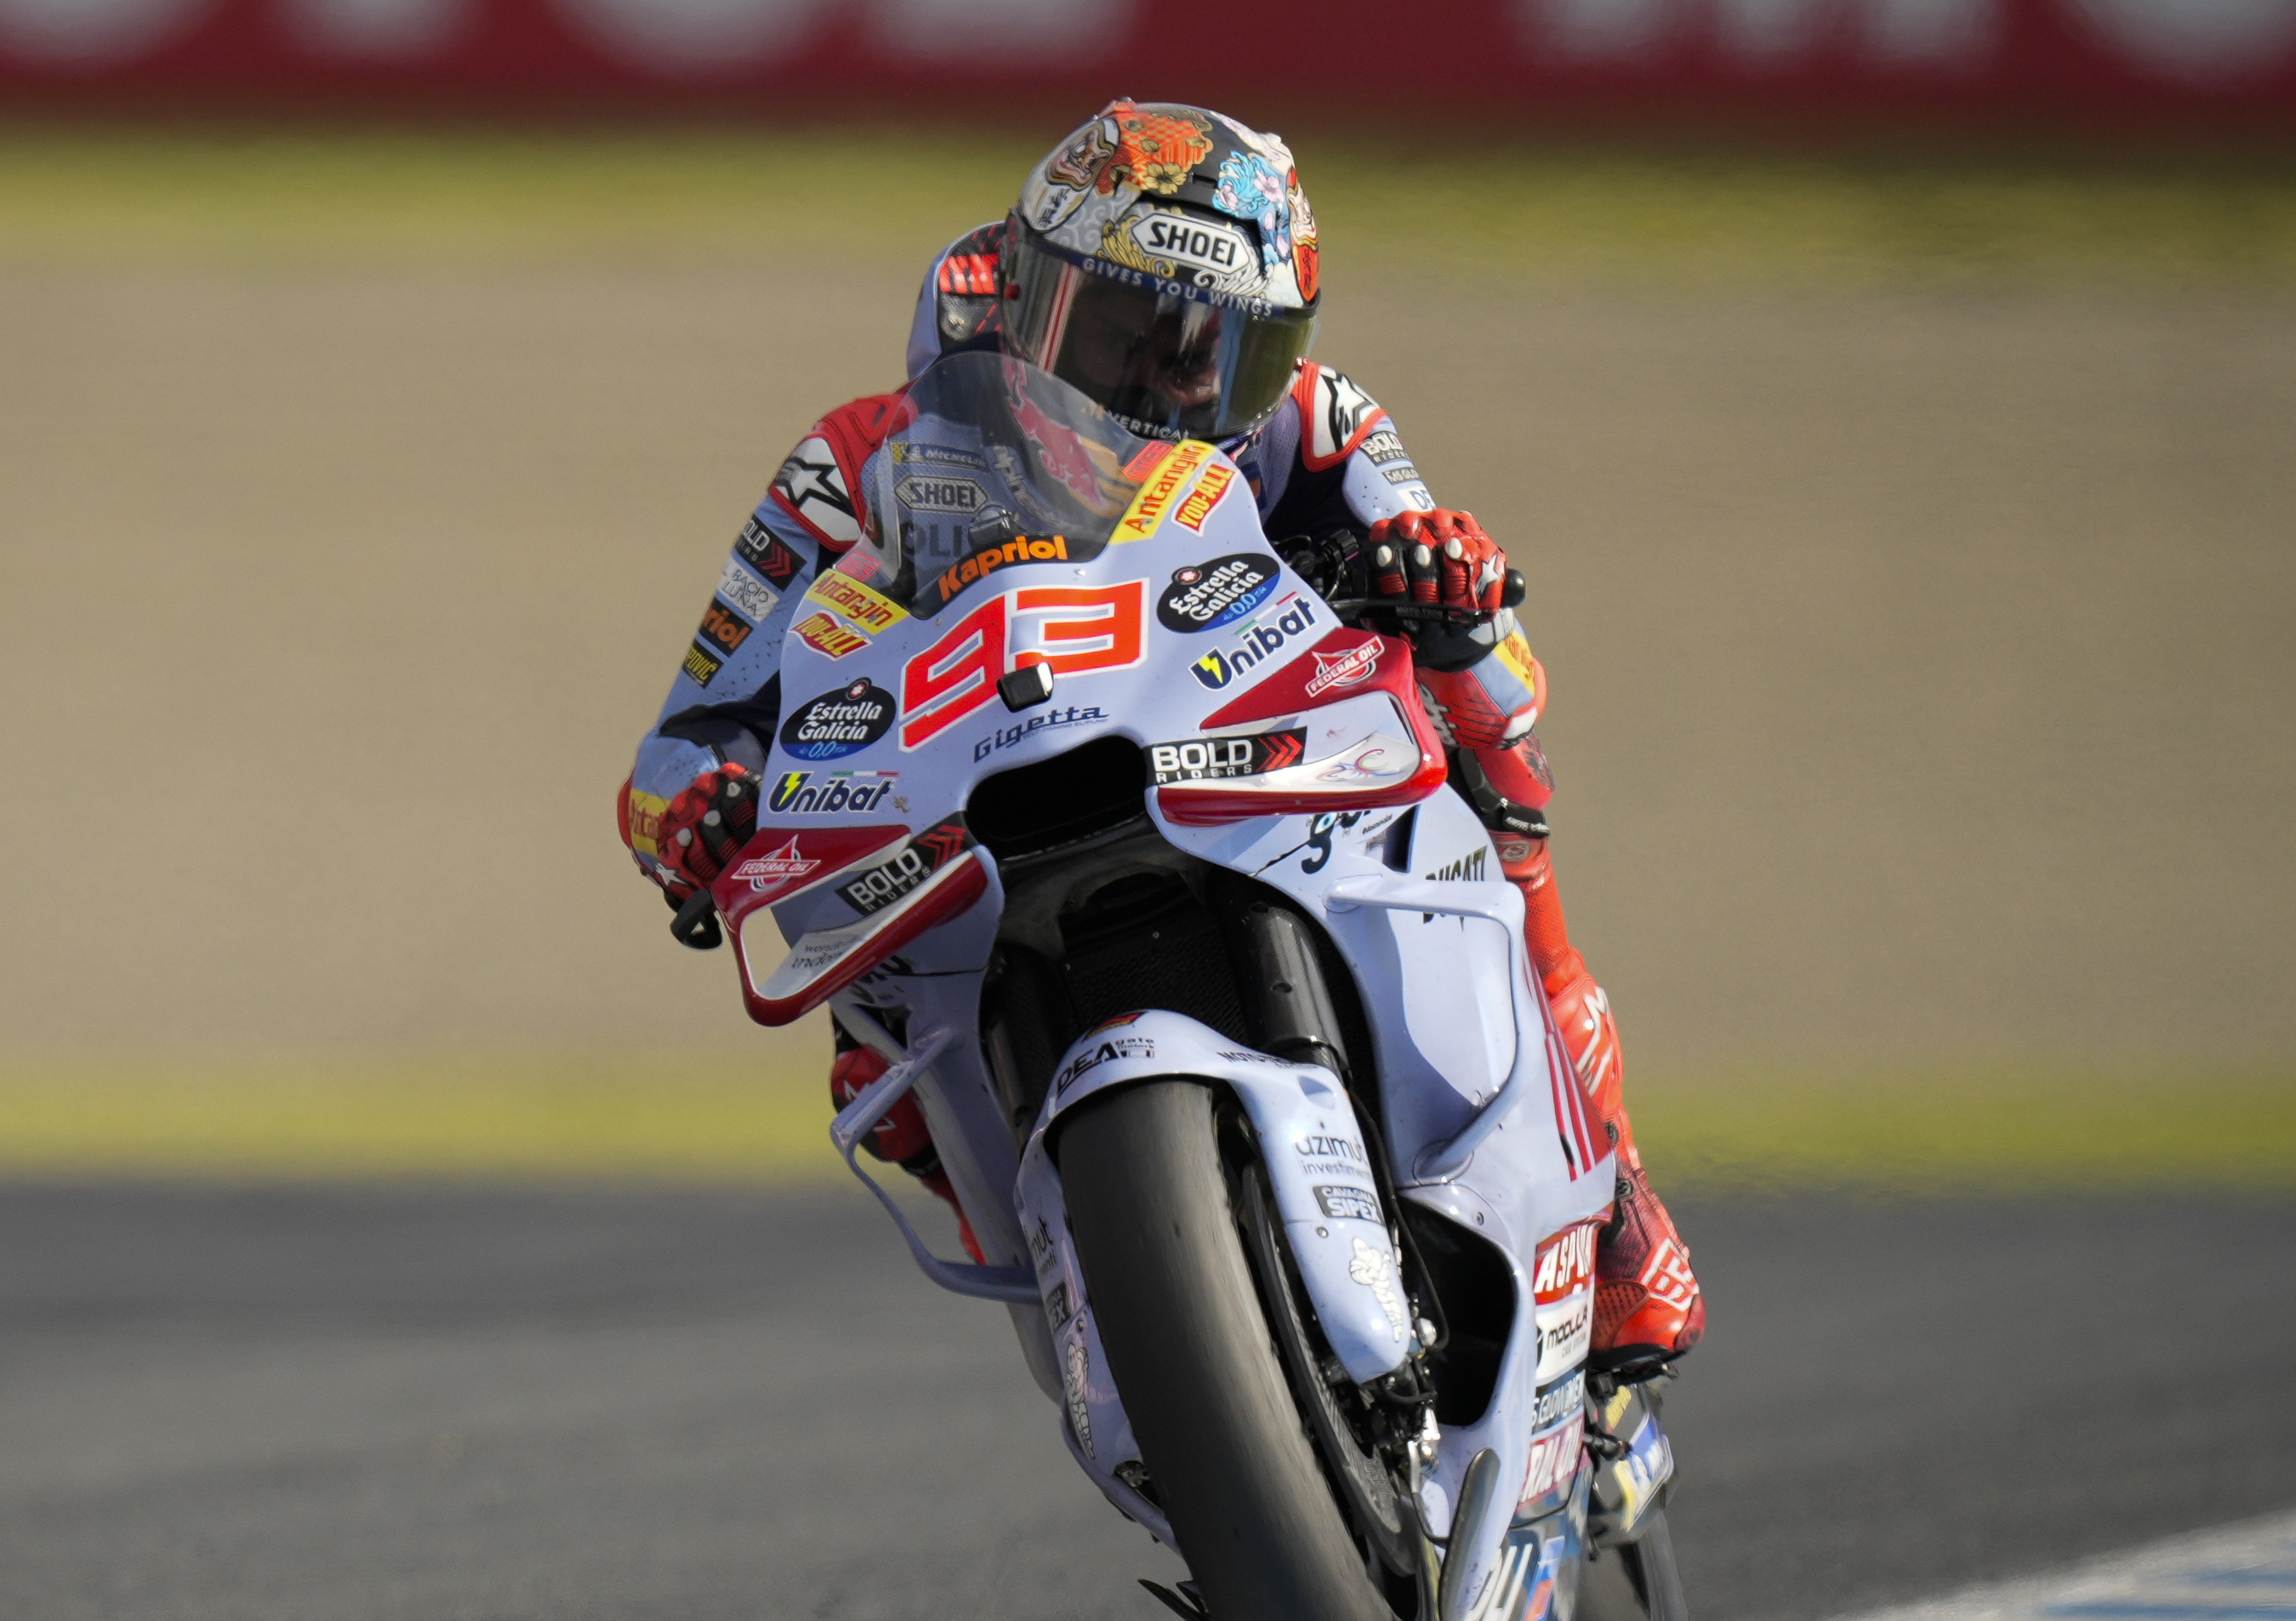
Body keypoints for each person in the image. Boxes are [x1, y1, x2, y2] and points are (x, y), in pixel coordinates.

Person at [614, 101, 1702, 1376]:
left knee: (1491, 751)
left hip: (1257, 746)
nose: (1169, 383)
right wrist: (701, 813)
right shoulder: (855, 460)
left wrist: (1448, 591)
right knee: (859, 1015)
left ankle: (1609, 1178)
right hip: (972, 783)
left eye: (1214, 354)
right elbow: (677, 746)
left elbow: (1506, 656)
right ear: (1032, 305)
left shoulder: (1319, 420)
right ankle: (1056, 1264)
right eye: (1130, 334)